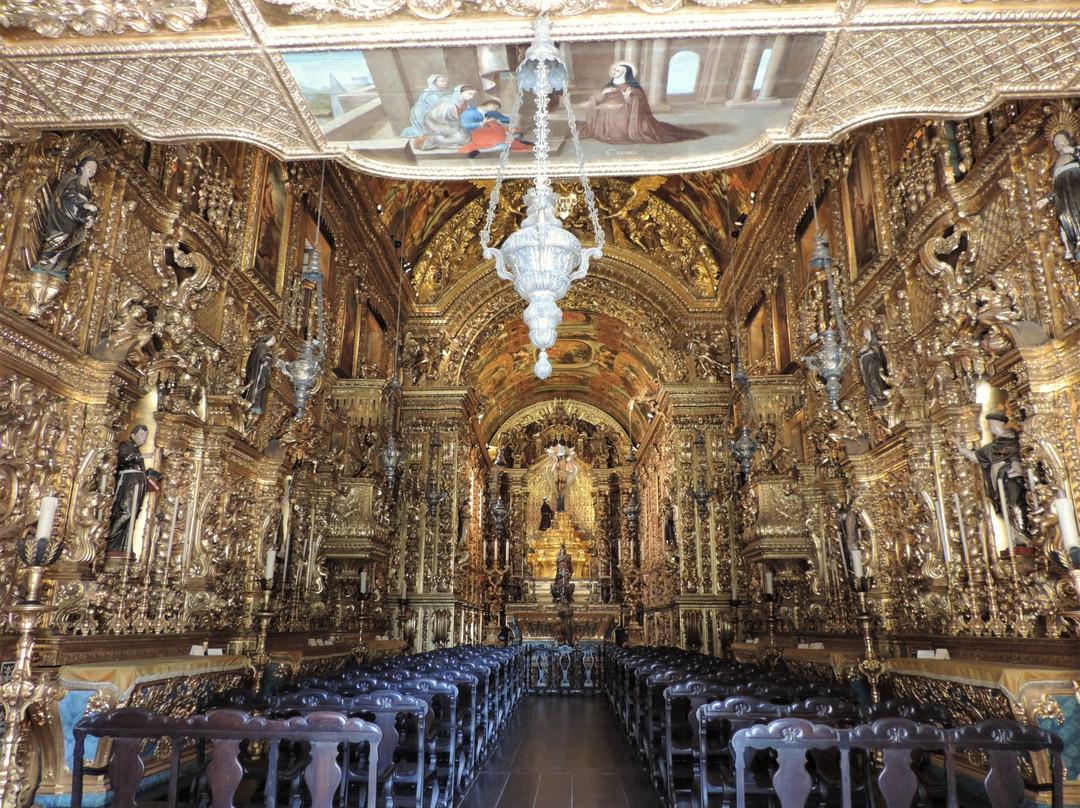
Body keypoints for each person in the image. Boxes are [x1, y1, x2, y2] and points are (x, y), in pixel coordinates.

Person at [579, 64, 705, 146]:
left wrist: (628, 97)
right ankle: (606, 133)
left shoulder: (633, 87)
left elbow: (638, 101)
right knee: (603, 108)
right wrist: (603, 93)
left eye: (618, 71)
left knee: (614, 109)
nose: (615, 72)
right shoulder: (610, 85)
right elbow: (596, 98)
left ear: (624, 73)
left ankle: (619, 133)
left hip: (625, 109)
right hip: (608, 107)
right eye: (614, 70)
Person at [954, 413, 1031, 540]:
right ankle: (1016, 538)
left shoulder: (1010, 441)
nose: (989, 427)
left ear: (997, 424)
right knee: (1005, 509)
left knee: (1015, 505)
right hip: (999, 482)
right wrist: (960, 448)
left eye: (990, 424)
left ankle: (1024, 536)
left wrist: (961, 449)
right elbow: (978, 457)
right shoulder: (997, 444)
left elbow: (980, 456)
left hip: (1010, 479)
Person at [30, 156, 99, 279]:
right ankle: (44, 261)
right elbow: (67, 193)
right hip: (65, 213)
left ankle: (59, 266)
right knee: (62, 236)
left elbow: (89, 205)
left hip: (78, 218)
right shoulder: (72, 178)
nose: (92, 170)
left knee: (75, 240)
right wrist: (83, 204)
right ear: (82, 167)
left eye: (95, 169)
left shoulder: (89, 188)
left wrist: (88, 218)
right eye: (89, 167)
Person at [105, 425, 155, 553]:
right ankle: (110, 539)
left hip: (137, 484)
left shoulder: (137, 450)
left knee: (133, 514)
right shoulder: (126, 445)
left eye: (146, 436)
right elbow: (123, 458)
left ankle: (124, 545)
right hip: (128, 484)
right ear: (133, 435)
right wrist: (141, 456)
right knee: (126, 512)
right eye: (142, 435)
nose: (144, 438)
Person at [1036, 130, 1080, 260]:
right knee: (1063, 215)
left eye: (1060, 139)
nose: (1057, 143)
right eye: (1055, 142)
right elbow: (1057, 188)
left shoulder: (1075, 151)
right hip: (1064, 192)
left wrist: (1073, 151)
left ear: (1068, 139)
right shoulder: (1056, 165)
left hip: (1076, 183)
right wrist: (1046, 199)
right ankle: (1075, 245)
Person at [457, 98, 532, 156]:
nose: (493, 109)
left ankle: (508, 141)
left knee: (518, 132)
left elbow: (502, 118)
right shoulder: (470, 112)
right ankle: (478, 151)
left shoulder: (492, 112)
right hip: (479, 131)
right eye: (493, 107)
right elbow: (465, 125)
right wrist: (482, 123)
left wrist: (512, 117)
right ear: (488, 104)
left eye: (495, 109)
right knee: (503, 145)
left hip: (494, 128)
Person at [418, 85, 477, 151]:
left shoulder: (467, 103)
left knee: (468, 136)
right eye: (469, 94)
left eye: (473, 95)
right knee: (461, 137)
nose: (471, 97)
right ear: (460, 92)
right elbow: (436, 118)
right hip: (440, 124)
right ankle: (431, 140)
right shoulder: (448, 103)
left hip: (457, 125)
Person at [401, 74, 453, 138]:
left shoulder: (438, 92)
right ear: (434, 82)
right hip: (422, 114)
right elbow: (439, 105)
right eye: (442, 81)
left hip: (432, 112)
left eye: (445, 81)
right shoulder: (430, 94)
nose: (445, 83)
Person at [857, 327, 890, 410]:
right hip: (865, 361)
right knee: (868, 380)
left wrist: (870, 351)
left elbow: (875, 348)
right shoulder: (858, 337)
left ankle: (880, 397)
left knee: (873, 379)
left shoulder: (868, 332)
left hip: (872, 360)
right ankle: (874, 398)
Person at [243, 334, 276, 414]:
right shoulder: (262, 346)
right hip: (260, 369)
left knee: (264, 385)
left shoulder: (266, 347)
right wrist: (266, 360)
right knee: (259, 385)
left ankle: (258, 404)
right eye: (273, 339)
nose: (274, 342)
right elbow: (260, 357)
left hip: (265, 370)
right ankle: (254, 403)